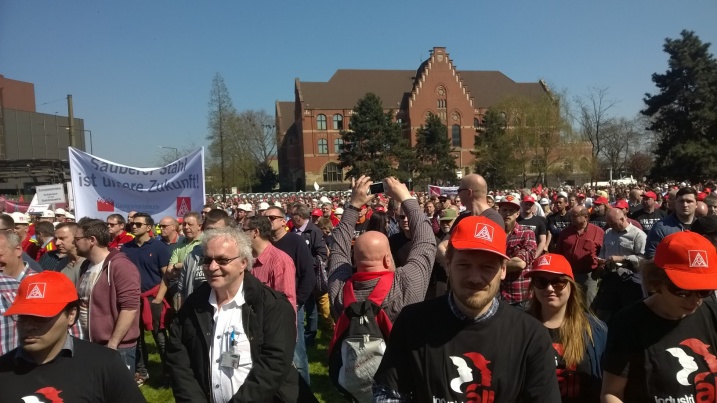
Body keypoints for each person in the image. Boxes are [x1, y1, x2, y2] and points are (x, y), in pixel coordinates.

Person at [372, 215, 560, 401]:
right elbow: (389, 394)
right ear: (448, 265)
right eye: (464, 265)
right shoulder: (412, 322)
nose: (475, 278)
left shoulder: (531, 335)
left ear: (503, 270)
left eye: (487, 267)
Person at [166, 227, 303, 402]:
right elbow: (179, 363)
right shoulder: (192, 306)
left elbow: (274, 366)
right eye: (207, 260)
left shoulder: (272, 306)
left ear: (244, 263)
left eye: (223, 260)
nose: (213, 267)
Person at [601, 231, 717, 402]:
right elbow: (611, 393)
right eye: (682, 290)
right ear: (657, 281)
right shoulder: (628, 323)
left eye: (703, 290)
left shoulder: (712, 314)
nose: (695, 300)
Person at [0, 271, 145, 402]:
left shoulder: (104, 365)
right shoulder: (4, 370)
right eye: (22, 316)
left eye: (41, 317)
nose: (28, 326)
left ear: (71, 315)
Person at [328, 176, 436, 323]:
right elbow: (426, 242)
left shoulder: (339, 290)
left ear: (354, 261)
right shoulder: (406, 283)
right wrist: (406, 198)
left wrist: (353, 205)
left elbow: (338, 250)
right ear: (387, 259)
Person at [526, 254, 607, 403]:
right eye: (541, 282)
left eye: (558, 282)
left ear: (571, 286)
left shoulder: (595, 330)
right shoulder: (521, 328)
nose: (549, 288)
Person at [75, 219, 141, 373]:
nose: (74, 243)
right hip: (89, 343)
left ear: (92, 240)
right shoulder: (86, 265)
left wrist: (113, 344)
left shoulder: (120, 266)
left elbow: (130, 308)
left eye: (77, 239)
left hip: (115, 348)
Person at [120, 212, 171, 386]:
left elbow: (167, 276)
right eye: (132, 224)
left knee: (160, 338)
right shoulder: (126, 248)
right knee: (137, 339)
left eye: (138, 224)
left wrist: (158, 299)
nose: (134, 226)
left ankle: (169, 372)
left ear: (148, 227)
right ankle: (142, 371)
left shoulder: (159, 248)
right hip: (133, 300)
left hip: (153, 298)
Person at [592, 208, 646, 323]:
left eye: (613, 223)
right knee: (602, 312)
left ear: (622, 219)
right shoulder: (608, 232)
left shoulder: (638, 235)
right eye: (609, 224)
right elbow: (603, 250)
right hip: (610, 278)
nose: (611, 226)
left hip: (630, 280)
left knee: (629, 314)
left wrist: (623, 258)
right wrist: (601, 261)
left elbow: (643, 259)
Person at [243, 216, 297, 308]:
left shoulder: (280, 261)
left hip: (269, 320)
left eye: (244, 230)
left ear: (255, 232)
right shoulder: (244, 257)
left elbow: (286, 303)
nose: (241, 234)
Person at [556, 206, 604, 307]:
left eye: (574, 216)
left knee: (588, 304)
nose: (571, 218)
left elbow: (604, 252)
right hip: (568, 275)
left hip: (589, 276)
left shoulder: (598, 232)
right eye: (570, 216)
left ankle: (589, 322)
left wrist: (601, 267)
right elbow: (558, 253)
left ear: (585, 217)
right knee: (569, 303)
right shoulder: (565, 232)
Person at [497, 195, 537, 308]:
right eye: (504, 210)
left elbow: (520, 263)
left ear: (517, 214)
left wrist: (492, 267)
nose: (507, 213)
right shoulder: (494, 234)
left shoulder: (527, 233)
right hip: (497, 296)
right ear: (499, 211)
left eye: (511, 210)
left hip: (520, 298)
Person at [645, 187, 697, 259]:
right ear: (676, 203)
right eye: (681, 201)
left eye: (689, 201)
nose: (685, 205)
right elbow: (651, 255)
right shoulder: (661, 228)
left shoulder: (702, 226)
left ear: (696, 204)